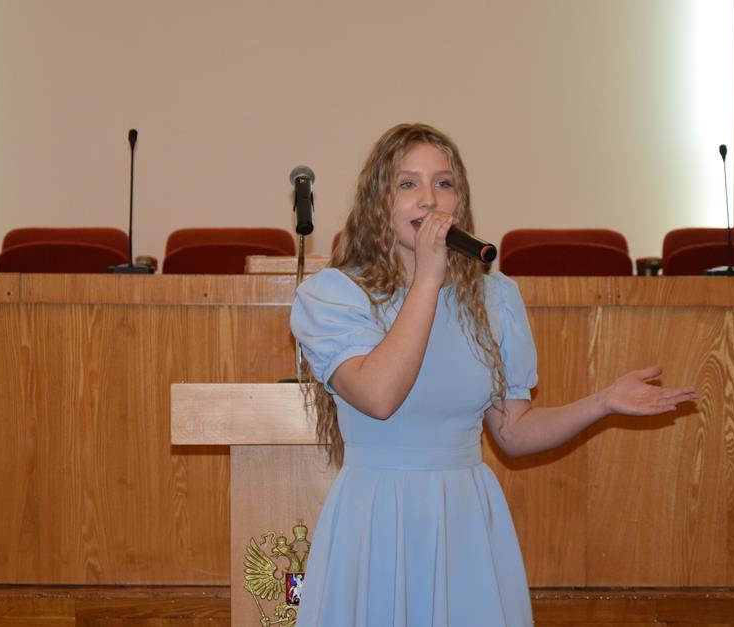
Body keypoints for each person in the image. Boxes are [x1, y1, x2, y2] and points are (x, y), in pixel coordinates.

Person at [289, 123, 697, 627]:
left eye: (444, 183)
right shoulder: (333, 295)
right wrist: (429, 278)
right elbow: (379, 396)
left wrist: (603, 402)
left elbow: (513, 432)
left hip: (465, 520)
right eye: (407, 183)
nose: (428, 199)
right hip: (375, 517)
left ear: (459, 201)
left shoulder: (494, 297)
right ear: (379, 202)